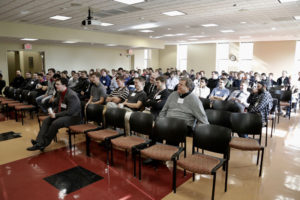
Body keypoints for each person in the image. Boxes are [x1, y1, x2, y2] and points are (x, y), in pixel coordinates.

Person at [26, 78, 81, 151]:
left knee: (55, 123)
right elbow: (57, 106)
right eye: (55, 84)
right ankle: (39, 142)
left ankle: (43, 144)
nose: (55, 86)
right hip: (64, 114)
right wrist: (53, 111)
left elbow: (70, 111)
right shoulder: (60, 93)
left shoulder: (71, 95)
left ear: (64, 85)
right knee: (46, 121)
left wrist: (56, 115)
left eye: (58, 84)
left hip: (73, 117)